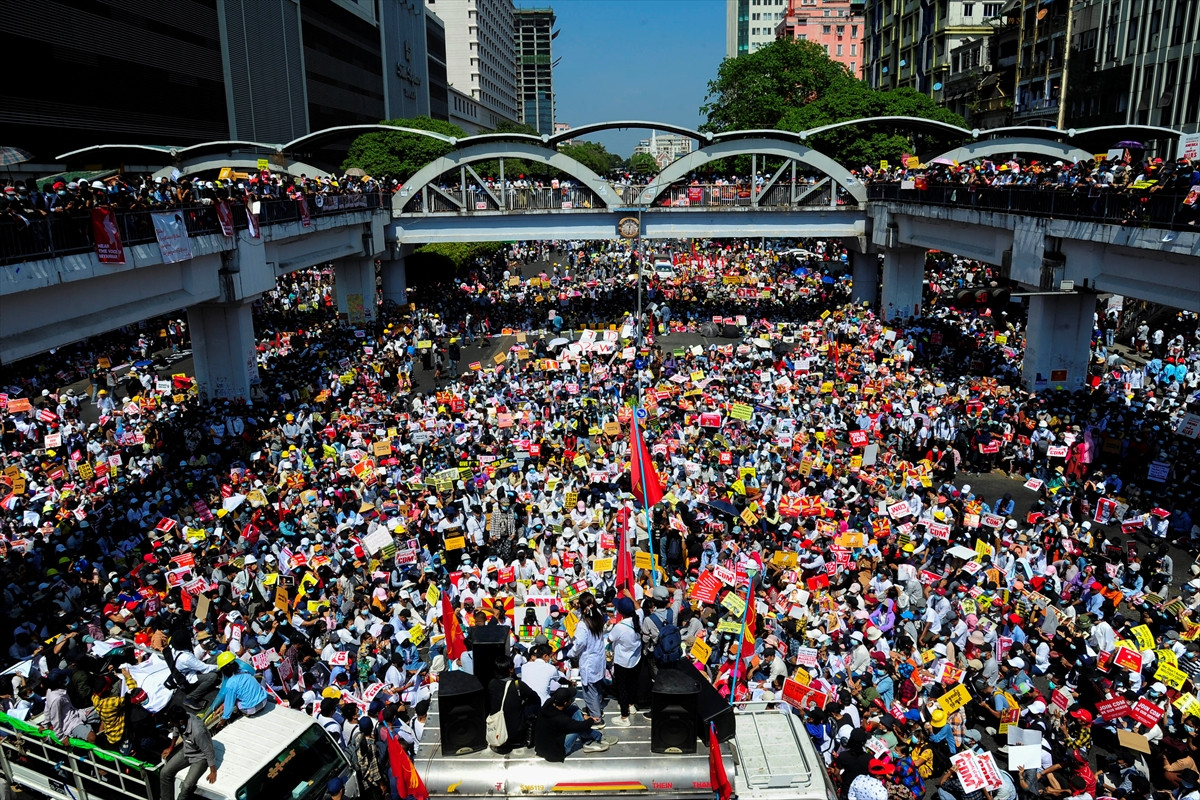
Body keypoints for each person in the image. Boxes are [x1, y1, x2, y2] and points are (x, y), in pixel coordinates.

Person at [534, 686, 615, 761]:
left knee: (574, 708)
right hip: (555, 752)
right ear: (565, 703)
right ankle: (593, 739)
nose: (572, 699)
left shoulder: (549, 703)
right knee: (577, 730)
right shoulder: (561, 719)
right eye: (570, 699)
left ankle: (591, 738)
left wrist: (583, 716)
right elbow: (580, 726)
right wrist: (591, 720)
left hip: (541, 746)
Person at [160, 698, 218, 800]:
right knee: (164, 773)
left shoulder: (198, 731)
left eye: (173, 723)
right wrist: (171, 748)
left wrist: (213, 771)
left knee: (186, 786)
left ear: (181, 721)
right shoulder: (180, 721)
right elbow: (176, 731)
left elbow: (208, 751)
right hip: (187, 750)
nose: (172, 724)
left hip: (200, 757)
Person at [487, 655, 540, 753]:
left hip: (497, 729)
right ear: (511, 670)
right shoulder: (517, 685)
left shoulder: (492, 683)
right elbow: (536, 699)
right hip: (516, 731)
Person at [607, 597, 642, 727]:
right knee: (632, 684)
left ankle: (624, 717)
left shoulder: (620, 627)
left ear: (620, 612)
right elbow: (639, 608)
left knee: (622, 688)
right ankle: (631, 705)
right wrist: (631, 597)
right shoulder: (639, 618)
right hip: (636, 659)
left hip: (622, 661)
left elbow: (609, 639)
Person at [209, 651, 270, 720]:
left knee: (233, 699)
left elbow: (229, 704)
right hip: (264, 701)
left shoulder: (230, 683)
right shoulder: (245, 671)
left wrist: (224, 717)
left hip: (251, 710)